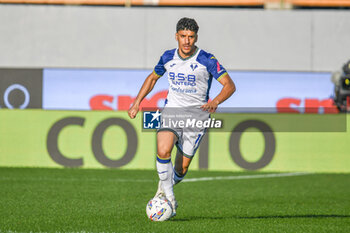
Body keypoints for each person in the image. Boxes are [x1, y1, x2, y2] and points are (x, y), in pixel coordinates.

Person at [128, 17, 236, 218]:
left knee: (182, 167)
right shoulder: (168, 57)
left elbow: (229, 85)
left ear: (196, 38)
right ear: (176, 36)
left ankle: (163, 189)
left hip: (197, 118)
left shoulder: (207, 60)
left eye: (191, 37)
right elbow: (152, 78)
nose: (187, 41)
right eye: (183, 36)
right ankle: (169, 197)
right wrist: (137, 102)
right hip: (172, 112)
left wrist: (216, 101)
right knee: (163, 148)